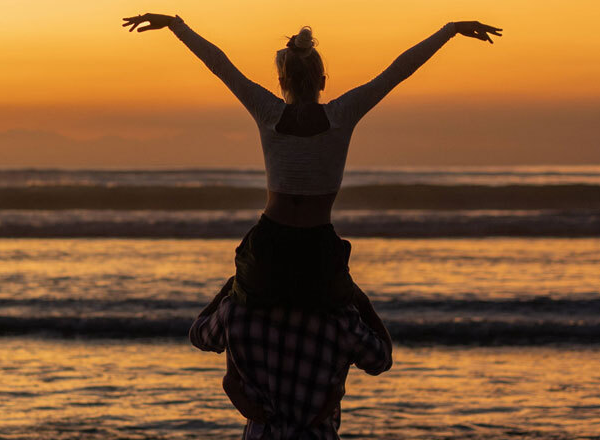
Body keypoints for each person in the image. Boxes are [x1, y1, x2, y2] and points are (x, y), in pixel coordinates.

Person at [122, 12, 502, 439]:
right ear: (323, 80)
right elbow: (398, 70)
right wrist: (449, 32)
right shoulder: (342, 113)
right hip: (319, 252)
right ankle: (319, 399)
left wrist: (175, 25)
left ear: (282, 78)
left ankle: (240, 382)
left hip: (269, 246)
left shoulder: (267, 111)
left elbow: (219, 63)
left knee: (237, 296)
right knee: (344, 323)